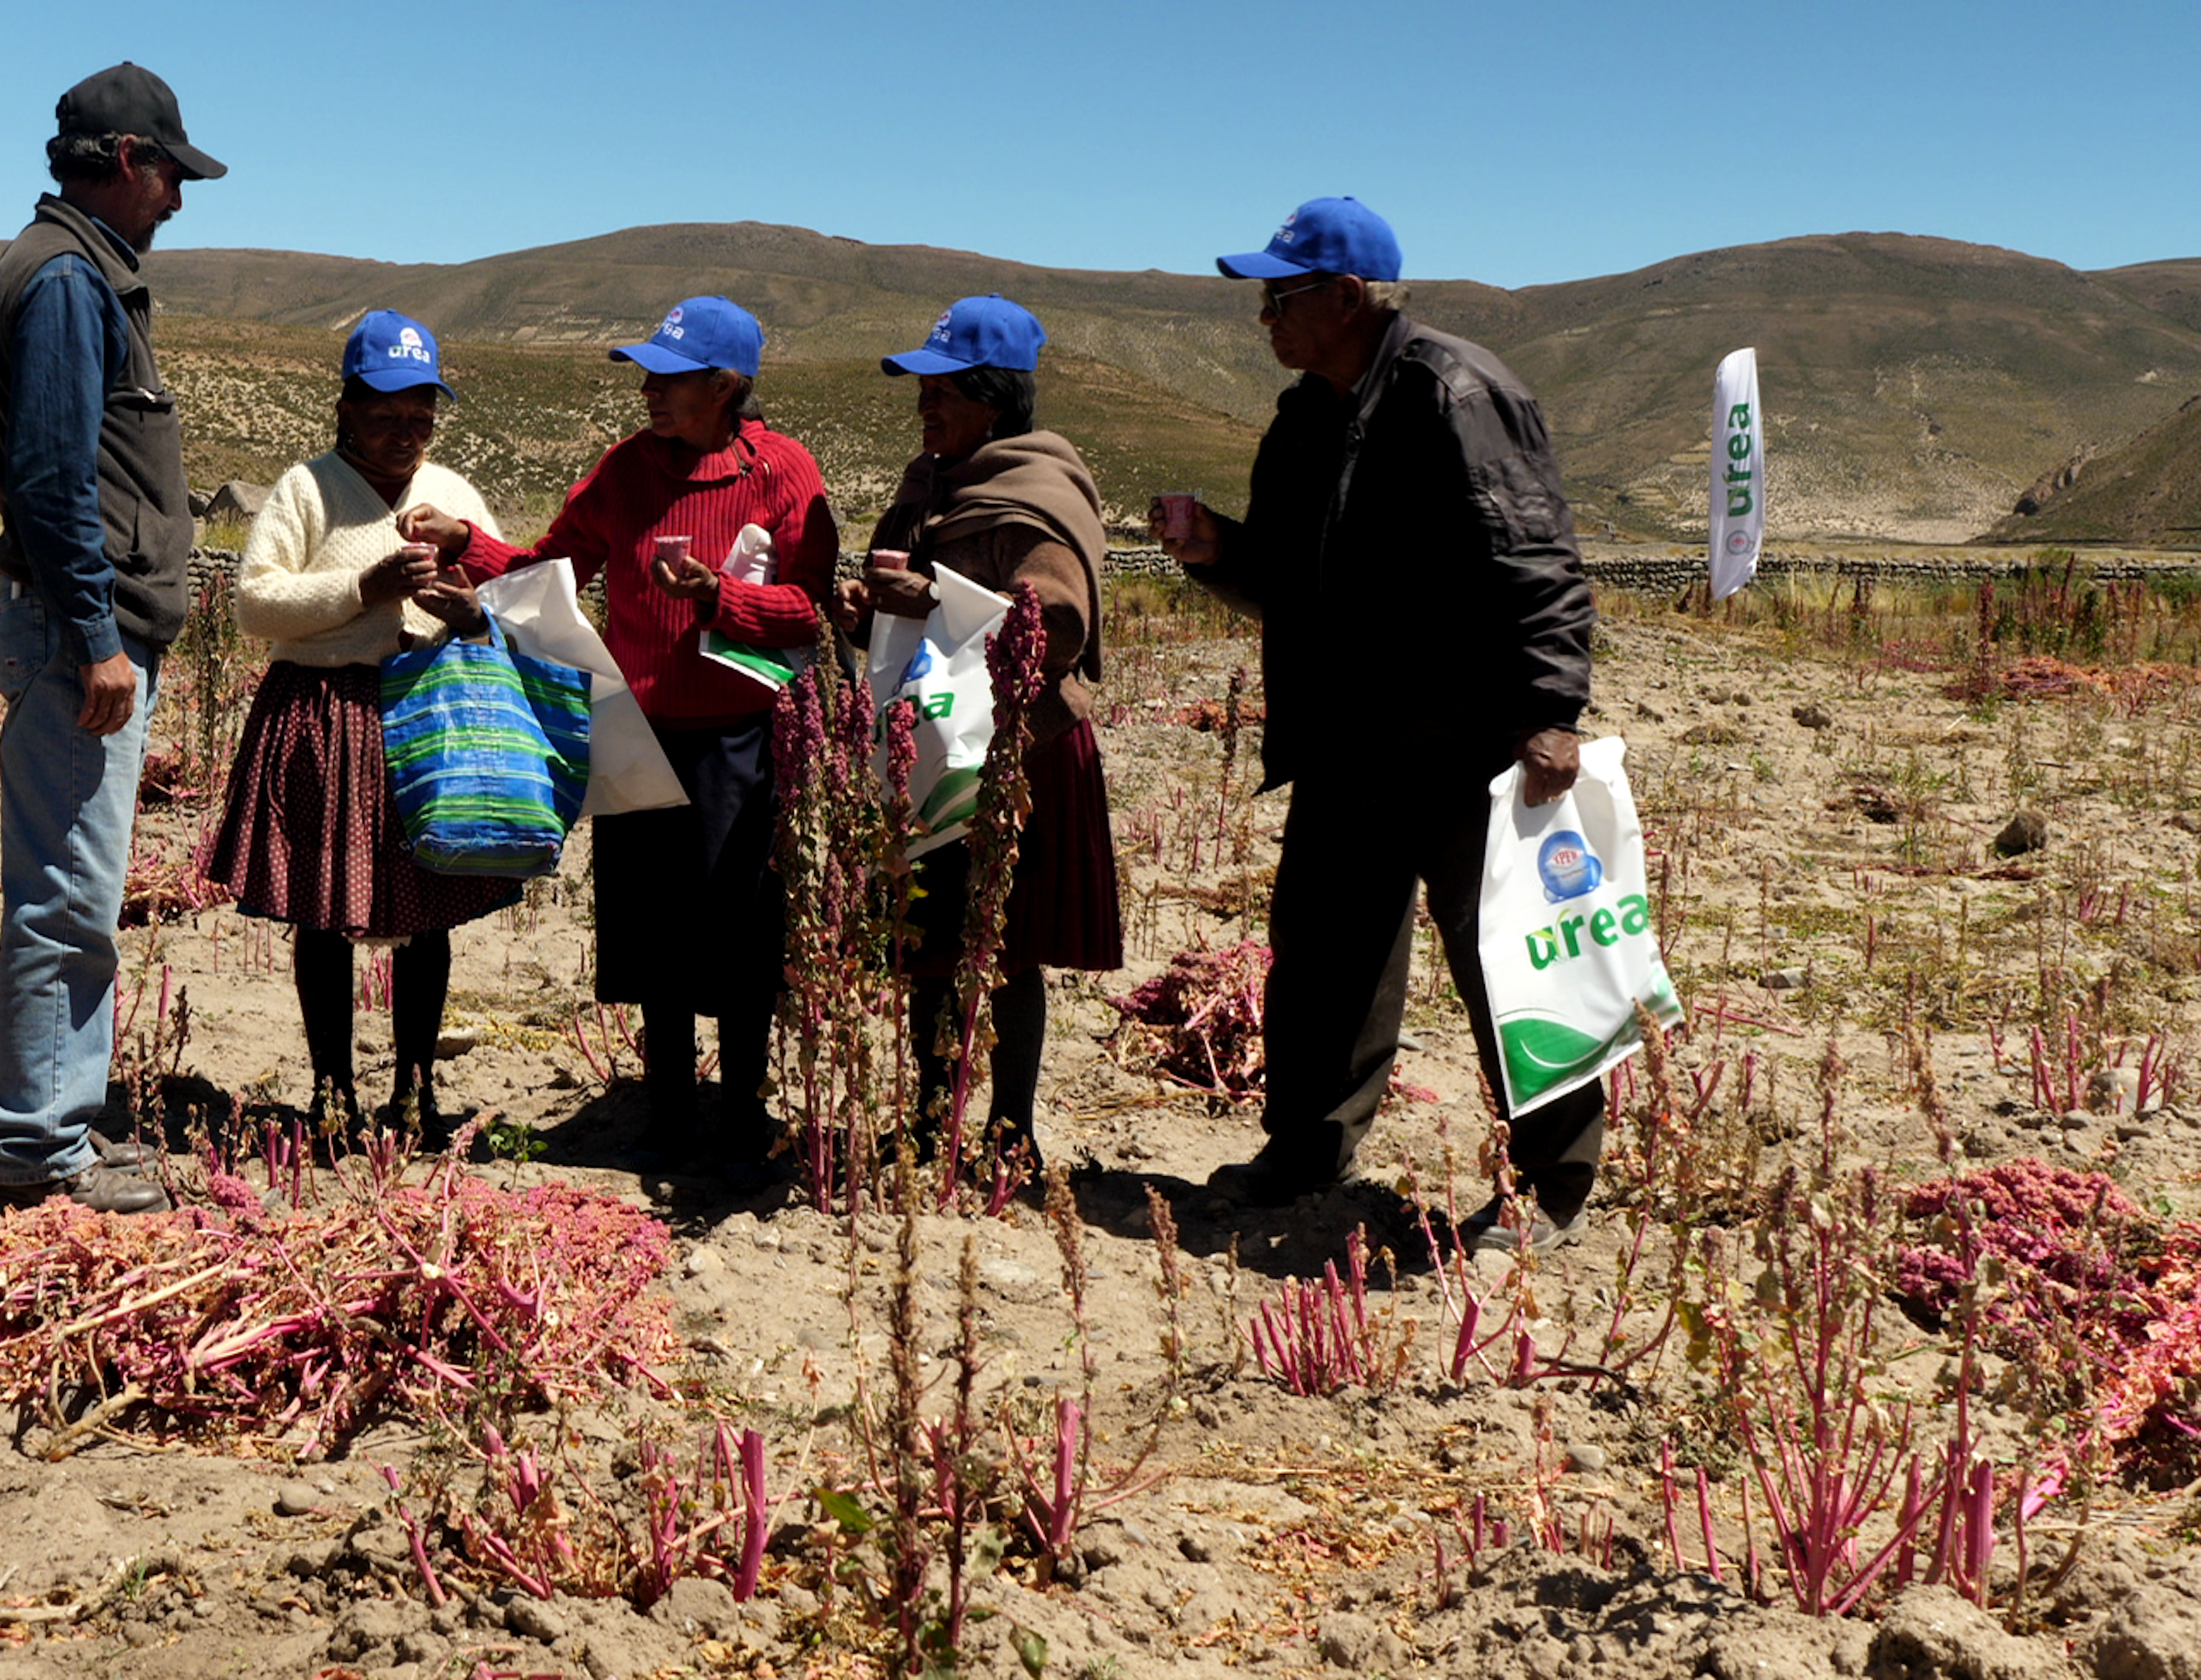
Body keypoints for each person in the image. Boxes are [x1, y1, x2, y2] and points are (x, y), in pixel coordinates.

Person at [1156, 197, 1600, 1256]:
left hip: (1467, 735)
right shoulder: (1304, 415)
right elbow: (1290, 579)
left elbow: (1534, 556)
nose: (1265, 317)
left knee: (1511, 961)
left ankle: (1555, 1186)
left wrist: (1550, 711)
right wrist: (1219, 551)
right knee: (1322, 959)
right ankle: (1308, 1150)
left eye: (1282, 297)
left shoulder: (1455, 392)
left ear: (1348, 297)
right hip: (1347, 735)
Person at [400, 298, 837, 1176]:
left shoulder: (783, 471)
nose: (648, 392)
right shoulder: (626, 469)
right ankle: (669, 1112)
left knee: (739, 932)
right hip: (636, 734)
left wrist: (719, 598)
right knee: (653, 930)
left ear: (726, 386)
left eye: (668, 378)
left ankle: (742, 1115)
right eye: (647, 376)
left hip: (739, 742)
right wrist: (466, 543)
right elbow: (549, 569)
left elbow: (811, 609)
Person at [0, 62, 226, 1216]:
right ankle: (39, 1143)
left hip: (86, 627)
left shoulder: (76, 270)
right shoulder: (72, 280)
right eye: (172, 176)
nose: (176, 200)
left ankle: (48, 1128)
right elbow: (51, 479)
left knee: (70, 887)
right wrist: (96, 636)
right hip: (85, 635)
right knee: (69, 894)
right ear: (128, 160)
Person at [204, 310, 515, 1140]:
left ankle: (415, 1093)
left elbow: (508, 600)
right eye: (384, 415)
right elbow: (256, 604)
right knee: (324, 911)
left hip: (430, 716)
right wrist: (362, 590)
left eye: (421, 417)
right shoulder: (307, 489)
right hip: (325, 714)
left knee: (428, 910)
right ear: (346, 410)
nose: (404, 433)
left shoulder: (454, 495)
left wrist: (470, 613)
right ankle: (332, 1094)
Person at [839, 296, 1122, 1179]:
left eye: (945, 390)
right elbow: (908, 620)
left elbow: (1058, 624)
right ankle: (931, 1123)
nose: (925, 405)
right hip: (934, 743)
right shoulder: (930, 485)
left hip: (1017, 751)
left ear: (995, 400)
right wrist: (866, 614)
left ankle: (1010, 1132)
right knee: (930, 940)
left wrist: (930, 600)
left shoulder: (1034, 491)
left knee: (1006, 948)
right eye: (923, 389)